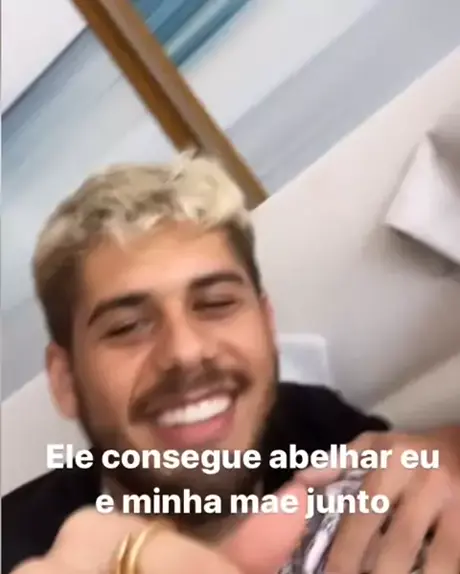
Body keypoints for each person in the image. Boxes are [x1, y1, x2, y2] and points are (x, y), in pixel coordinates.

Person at [3, 154, 460, 574]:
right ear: (65, 380)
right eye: (126, 327)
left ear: (266, 324)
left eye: (216, 303)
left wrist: (435, 468)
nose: (185, 352)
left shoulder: (313, 425)